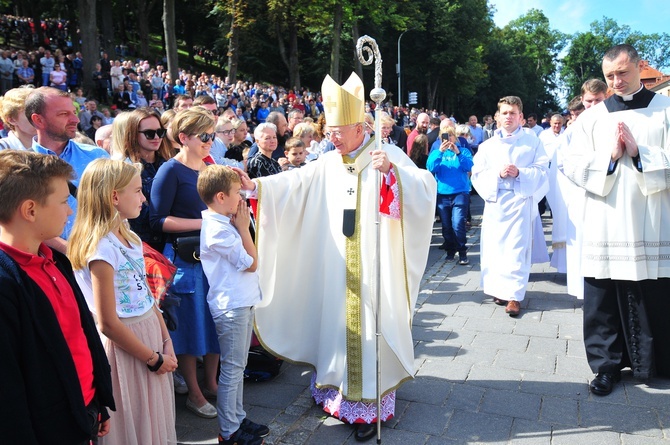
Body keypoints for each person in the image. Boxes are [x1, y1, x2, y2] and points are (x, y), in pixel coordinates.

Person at [235, 72, 436, 442]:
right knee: (335, 323)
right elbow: (297, 182)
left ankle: (368, 405)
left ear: (362, 127)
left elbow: (425, 187)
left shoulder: (386, 154)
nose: (333, 138)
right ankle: (334, 389)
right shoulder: (329, 160)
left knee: (371, 322)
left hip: (376, 264)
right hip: (336, 262)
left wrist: (392, 175)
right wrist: (257, 185)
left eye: (339, 131)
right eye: (330, 132)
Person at [563, 44, 670, 395]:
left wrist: (641, 153)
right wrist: (608, 158)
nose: (616, 81)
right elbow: (570, 163)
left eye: (622, 73)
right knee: (602, 297)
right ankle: (606, 367)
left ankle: (662, 363)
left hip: (652, 218)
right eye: (610, 76)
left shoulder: (665, 109)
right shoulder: (592, 118)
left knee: (657, 291)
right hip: (606, 219)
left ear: (640, 67)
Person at [0, 150, 115, 444]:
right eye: (64, 201)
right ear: (30, 210)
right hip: (47, 428)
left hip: (81, 411)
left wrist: (97, 400)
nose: (69, 210)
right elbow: (8, 389)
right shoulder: (7, 285)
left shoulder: (56, 261)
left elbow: (81, 335)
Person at [69, 159, 177, 445]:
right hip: (126, 347)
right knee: (133, 421)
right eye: (138, 191)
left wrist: (166, 341)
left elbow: (146, 296)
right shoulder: (102, 248)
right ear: (114, 196)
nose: (144, 198)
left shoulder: (129, 237)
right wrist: (152, 359)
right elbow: (107, 322)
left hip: (150, 335)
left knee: (153, 419)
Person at [150, 107, 220, 419]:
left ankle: (213, 384)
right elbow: (156, 220)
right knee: (191, 327)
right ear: (183, 138)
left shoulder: (208, 165)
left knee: (215, 321)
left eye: (212, 135)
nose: (210, 141)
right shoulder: (170, 171)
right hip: (184, 259)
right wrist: (204, 223)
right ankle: (193, 391)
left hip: (213, 257)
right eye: (205, 136)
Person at [197, 165, 269, 445]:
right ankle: (229, 431)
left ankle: (237, 418)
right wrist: (242, 228)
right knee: (232, 369)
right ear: (220, 197)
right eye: (237, 193)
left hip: (240, 302)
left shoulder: (223, 220)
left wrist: (241, 226)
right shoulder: (219, 230)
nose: (241, 198)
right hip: (232, 306)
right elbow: (251, 263)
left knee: (237, 366)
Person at [471, 96, 549, 317]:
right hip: (496, 202)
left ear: (521, 117)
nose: (508, 117)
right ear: (497, 117)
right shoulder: (487, 146)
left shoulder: (533, 142)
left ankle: (514, 295)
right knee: (496, 250)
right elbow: (477, 174)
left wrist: (520, 173)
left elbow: (543, 171)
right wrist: (497, 174)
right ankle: (499, 290)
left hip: (520, 201)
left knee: (516, 249)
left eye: (513, 113)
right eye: (504, 113)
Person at [25, 87, 109, 251]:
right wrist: (68, 250)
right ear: (38, 120)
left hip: (99, 258)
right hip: (50, 264)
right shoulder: (22, 167)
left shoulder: (97, 156)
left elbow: (115, 208)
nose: (75, 120)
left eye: (74, 112)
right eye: (64, 114)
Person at [546, 79, 608, 299]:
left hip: (610, 197)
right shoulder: (572, 131)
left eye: (598, 100)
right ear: (582, 101)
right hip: (582, 194)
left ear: (606, 98)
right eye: (588, 101)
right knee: (583, 244)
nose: (593, 106)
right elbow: (563, 163)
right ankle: (585, 292)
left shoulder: (614, 122)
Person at [112, 107, 175, 251]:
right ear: (133, 135)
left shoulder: (170, 164)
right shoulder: (126, 169)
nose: (157, 137)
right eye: (149, 134)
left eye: (160, 132)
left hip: (171, 244)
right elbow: (141, 216)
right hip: (142, 246)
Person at [427, 126, 473, 264]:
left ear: (455, 137)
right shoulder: (436, 152)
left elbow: (469, 166)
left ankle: (462, 251)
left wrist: (457, 152)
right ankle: (450, 250)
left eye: (451, 136)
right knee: (446, 226)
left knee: (458, 223)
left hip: (460, 192)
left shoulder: (464, 151)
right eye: (446, 136)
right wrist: (439, 152)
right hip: (443, 193)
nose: (449, 139)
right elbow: (430, 167)